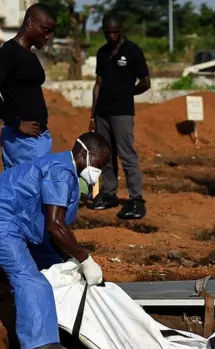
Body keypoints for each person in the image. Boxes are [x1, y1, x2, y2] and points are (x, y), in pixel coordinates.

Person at [0, 132, 110, 349]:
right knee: (30, 278)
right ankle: (40, 346)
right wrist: (84, 259)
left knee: (57, 266)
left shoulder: (67, 172)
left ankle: (56, 324)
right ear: (83, 154)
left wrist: (71, 261)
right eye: (98, 165)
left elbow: (56, 230)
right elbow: (55, 226)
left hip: (17, 220)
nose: (98, 173)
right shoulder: (60, 173)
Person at [87, 13, 151, 220]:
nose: (112, 36)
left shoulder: (133, 51)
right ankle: (109, 193)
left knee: (126, 154)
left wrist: (127, 93)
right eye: (108, 33)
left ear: (122, 30)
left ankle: (136, 199)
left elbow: (145, 82)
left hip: (122, 112)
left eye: (115, 32)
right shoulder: (102, 53)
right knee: (106, 154)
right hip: (103, 112)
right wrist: (92, 114)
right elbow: (98, 84)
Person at [0, 3, 56, 170]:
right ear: (30, 23)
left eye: (51, 31)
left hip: (34, 140)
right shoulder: (10, 52)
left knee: (28, 191)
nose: (48, 36)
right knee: (29, 191)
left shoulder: (28, 54)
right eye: (45, 29)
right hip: (23, 142)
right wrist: (17, 123)